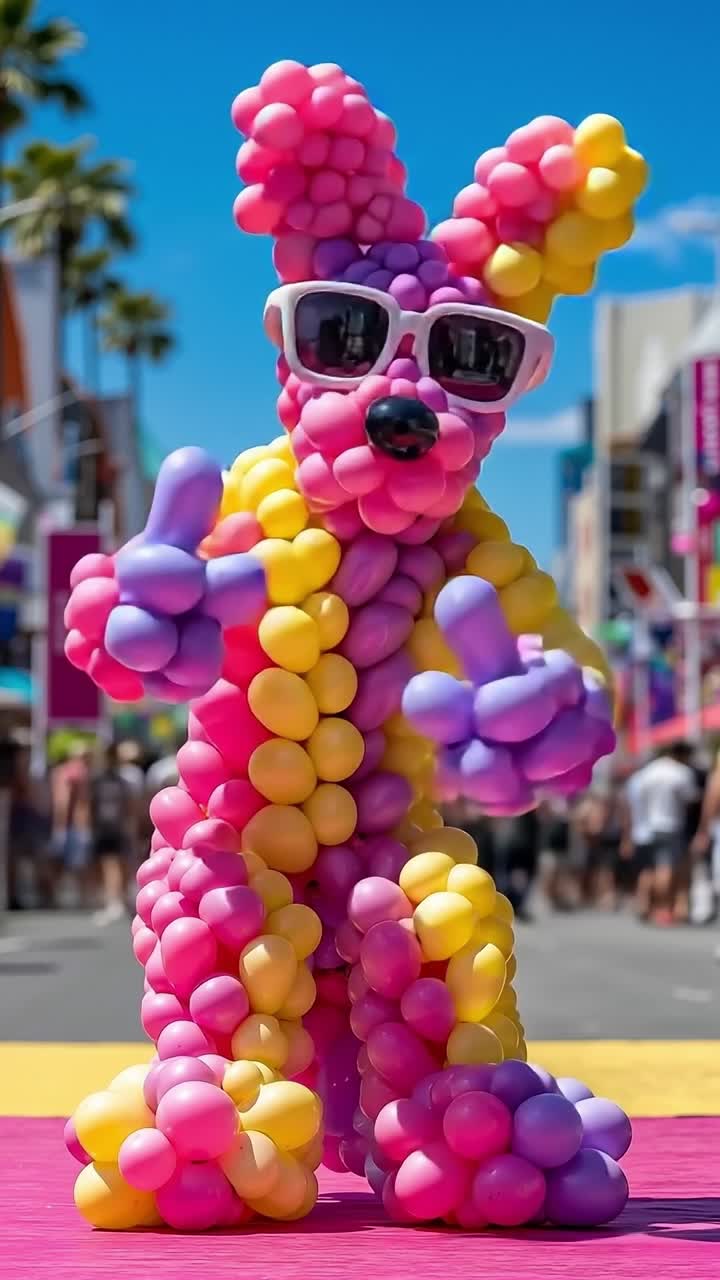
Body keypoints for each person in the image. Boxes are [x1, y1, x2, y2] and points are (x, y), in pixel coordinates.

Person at [628, 742, 698, 925]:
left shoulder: (647, 773)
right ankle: (663, 907)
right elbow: (690, 799)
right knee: (666, 868)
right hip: (671, 826)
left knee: (648, 868)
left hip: (647, 827)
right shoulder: (681, 772)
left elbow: (636, 801)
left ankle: (644, 904)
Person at [89, 743, 138, 925]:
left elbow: (129, 805)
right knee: (107, 864)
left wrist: (130, 825)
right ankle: (116, 900)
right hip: (104, 827)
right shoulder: (99, 781)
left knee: (113, 864)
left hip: (114, 827)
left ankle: (116, 902)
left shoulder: (118, 781)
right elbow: (89, 804)